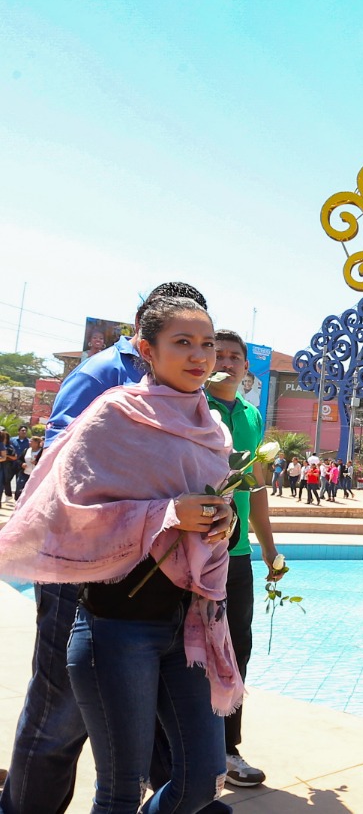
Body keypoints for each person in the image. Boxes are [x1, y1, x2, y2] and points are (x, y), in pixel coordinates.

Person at [0, 295, 241, 814]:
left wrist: (224, 520)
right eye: (182, 342)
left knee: (203, 780)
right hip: (117, 623)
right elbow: (70, 513)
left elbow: (205, 508)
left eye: (207, 344)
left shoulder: (212, 427)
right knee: (117, 788)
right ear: (146, 350)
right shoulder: (114, 413)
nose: (200, 356)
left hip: (187, 622)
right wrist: (167, 513)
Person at [205, 330, 283, 789]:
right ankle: (178, 748)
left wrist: (268, 547)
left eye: (236, 357)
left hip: (236, 554)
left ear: (246, 369)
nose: (227, 363)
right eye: (220, 355)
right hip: (195, 551)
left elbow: (256, 488)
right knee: (189, 650)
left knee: (237, 649)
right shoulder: (192, 405)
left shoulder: (251, 416)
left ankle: (227, 748)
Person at [15, 435, 42, 502]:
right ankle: (18, 502)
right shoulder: (26, 450)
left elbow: (45, 462)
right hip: (25, 473)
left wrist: (37, 462)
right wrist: (22, 464)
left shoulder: (42, 451)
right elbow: (19, 460)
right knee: (19, 488)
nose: (29, 443)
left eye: (31, 441)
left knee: (33, 490)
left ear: (36, 443)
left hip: (36, 475)